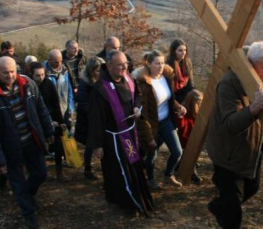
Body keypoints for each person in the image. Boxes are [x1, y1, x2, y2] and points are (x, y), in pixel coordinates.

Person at [206, 41, 263, 229]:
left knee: (253, 187)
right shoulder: (229, 83)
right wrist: (254, 108)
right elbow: (230, 124)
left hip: (253, 147)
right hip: (228, 151)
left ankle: (217, 206)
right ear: (249, 63)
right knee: (234, 200)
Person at [0, 57, 54, 229]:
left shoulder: (27, 84)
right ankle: (29, 215)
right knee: (17, 182)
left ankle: (26, 196)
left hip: (31, 140)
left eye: (13, 71)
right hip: (10, 148)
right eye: (5, 72)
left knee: (41, 174)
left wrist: (49, 131)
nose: (10, 75)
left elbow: (41, 108)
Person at [87, 51, 153, 216]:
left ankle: (134, 198)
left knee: (133, 167)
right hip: (113, 139)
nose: (125, 67)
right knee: (119, 172)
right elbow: (96, 119)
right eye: (120, 65)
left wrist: (137, 107)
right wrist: (97, 145)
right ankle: (127, 203)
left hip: (131, 133)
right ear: (109, 66)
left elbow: (137, 95)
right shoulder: (100, 89)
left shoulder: (129, 79)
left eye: (126, 64)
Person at [135, 50, 187, 190]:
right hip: (151, 124)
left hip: (166, 121)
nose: (161, 66)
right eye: (157, 63)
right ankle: (150, 179)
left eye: (163, 63)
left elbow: (169, 99)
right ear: (149, 64)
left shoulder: (166, 77)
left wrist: (178, 107)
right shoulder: (144, 84)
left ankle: (168, 175)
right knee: (152, 152)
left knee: (177, 151)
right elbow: (143, 114)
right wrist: (148, 135)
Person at [30, 62, 67, 182]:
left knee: (58, 147)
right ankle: (39, 173)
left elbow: (56, 104)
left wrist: (60, 121)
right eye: (37, 75)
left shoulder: (49, 84)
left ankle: (59, 173)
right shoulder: (28, 87)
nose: (40, 77)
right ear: (32, 75)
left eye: (42, 75)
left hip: (52, 118)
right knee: (38, 149)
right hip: (35, 121)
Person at [43, 49, 75, 182]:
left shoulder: (64, 70)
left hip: (63, 109)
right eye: (56, 62)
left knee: (61, 139)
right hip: (48, 112)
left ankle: (60, 168)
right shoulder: (42, 73)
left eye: (61, 61)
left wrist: (71, 108)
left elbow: (69, 91)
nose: (59, 63)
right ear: (49, 60)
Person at [75, 57, 105, 180]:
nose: (100, 73)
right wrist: (95, 114)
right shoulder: (85, 83)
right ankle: (87, 169)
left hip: (100, 118)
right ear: (91, 70)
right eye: (97, 70)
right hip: (87, 119)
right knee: (89, 144)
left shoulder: (103, 81)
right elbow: (83, 103)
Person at [176, 89, 203, 184]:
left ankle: (180, 165)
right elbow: (181, 126)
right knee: (189, 154)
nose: (199, 104)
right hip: (186, 138)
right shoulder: (184, 111)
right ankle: (192, 173)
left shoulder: (198, 112)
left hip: (194, 137)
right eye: (198, 102)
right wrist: (180, 118)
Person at [166, 39, 194, 104]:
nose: (183, 53)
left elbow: (190, 84)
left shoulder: (187, 63)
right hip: (173, 97)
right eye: (180, 50)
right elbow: (169, 88)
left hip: (186, 94)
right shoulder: (168, 65)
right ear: (174, 51)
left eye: (185, 50)